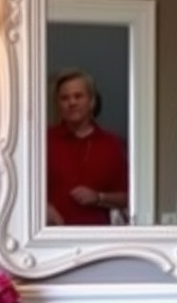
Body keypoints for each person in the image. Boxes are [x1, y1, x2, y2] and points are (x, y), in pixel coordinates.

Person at [47, 69, 129, 226]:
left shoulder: (112, 144)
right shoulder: (44, 140)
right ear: (58, 104)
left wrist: (99, 197)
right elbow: (24, 188)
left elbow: (127, 197)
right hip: (51, 236)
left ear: (91, 102)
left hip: (96, 238)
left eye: (78, 96)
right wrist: (44, 207)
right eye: (65, 98)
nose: (72, 103)